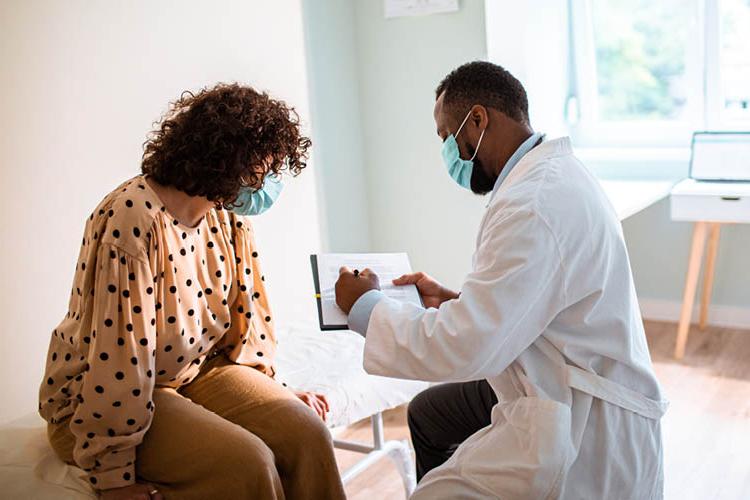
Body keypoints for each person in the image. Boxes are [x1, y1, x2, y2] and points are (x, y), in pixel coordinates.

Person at [335, 61, 667, 499]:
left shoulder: (532, 204)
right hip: (550, 368)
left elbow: (466, 346)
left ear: (477, 120)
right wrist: (455, 299)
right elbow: (537, 296)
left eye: (445, 137)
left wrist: (365, 307)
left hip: (579, 412)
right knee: (430, 414)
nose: (447, 155)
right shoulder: (549, 176)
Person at [39, 83, 347, 500]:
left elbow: (247, 322)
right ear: (226, 159)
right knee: (247, 461)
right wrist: (114, 478)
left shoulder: (228, 217)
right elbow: (119, 354)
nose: (270, 181)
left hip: (197, 372)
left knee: (307, 434)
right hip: (104, 396)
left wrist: (273, 391)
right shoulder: (132, 220)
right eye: (266, 167)